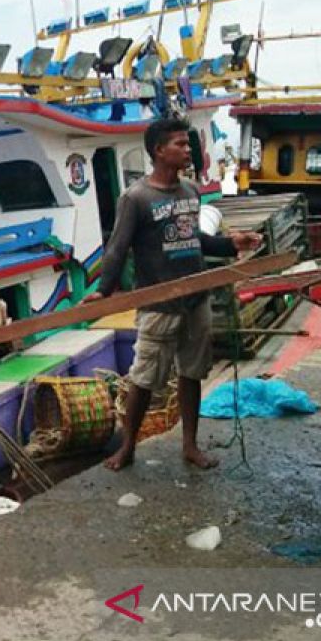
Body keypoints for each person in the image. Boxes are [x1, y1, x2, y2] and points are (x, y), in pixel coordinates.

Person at [84, 118, 262, 471]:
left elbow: (196, 240)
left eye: (187, 144)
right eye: (180, 144)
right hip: (159, 304)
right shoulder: (135, 198)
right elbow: (118, 249)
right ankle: (128, 448)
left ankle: (190, 446)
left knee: (192, 374)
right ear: (158, 151)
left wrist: (231, 244)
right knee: (144, 379)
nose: (187, 150)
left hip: (196, 299)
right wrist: (103, 291)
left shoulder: (191, 192)